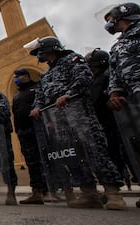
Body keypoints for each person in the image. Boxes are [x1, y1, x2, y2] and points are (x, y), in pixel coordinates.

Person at [28, 36, 126, 210]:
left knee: (95, 151)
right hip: (57, 119)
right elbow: (40, 96)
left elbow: (85, 77)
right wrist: (37, 107)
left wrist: (69, 93)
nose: (38, 56)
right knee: (73, 156)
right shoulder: (46, 74)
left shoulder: (72, 60)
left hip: (79, 113)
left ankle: (113, 193)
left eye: (40, 51)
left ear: (50, 49)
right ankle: (89, 193)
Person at [103, 2, 140, 207]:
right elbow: (115, 74)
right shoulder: (118, 46)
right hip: (132, 100)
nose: (108, 23)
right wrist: (115, 92)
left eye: (110, 19)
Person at [85, 48, 133, 191]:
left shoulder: (109, 77)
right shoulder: (95, 80)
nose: (92, 69)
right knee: (112, 152)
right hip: (103, 121)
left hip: (116, 120)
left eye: (93, 66)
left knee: (126, 152)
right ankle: (114, 185)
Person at [11, 68, 48, 204]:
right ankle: (37, 192)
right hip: (24, 132)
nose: (16, 79)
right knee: (32, 162)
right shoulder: (18, 95)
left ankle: (50, 190)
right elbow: (15, 113)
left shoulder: (37, 87)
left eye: (18, 76)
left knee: (45, 159)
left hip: (39, 128)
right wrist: (18, 130)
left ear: (25, 76)